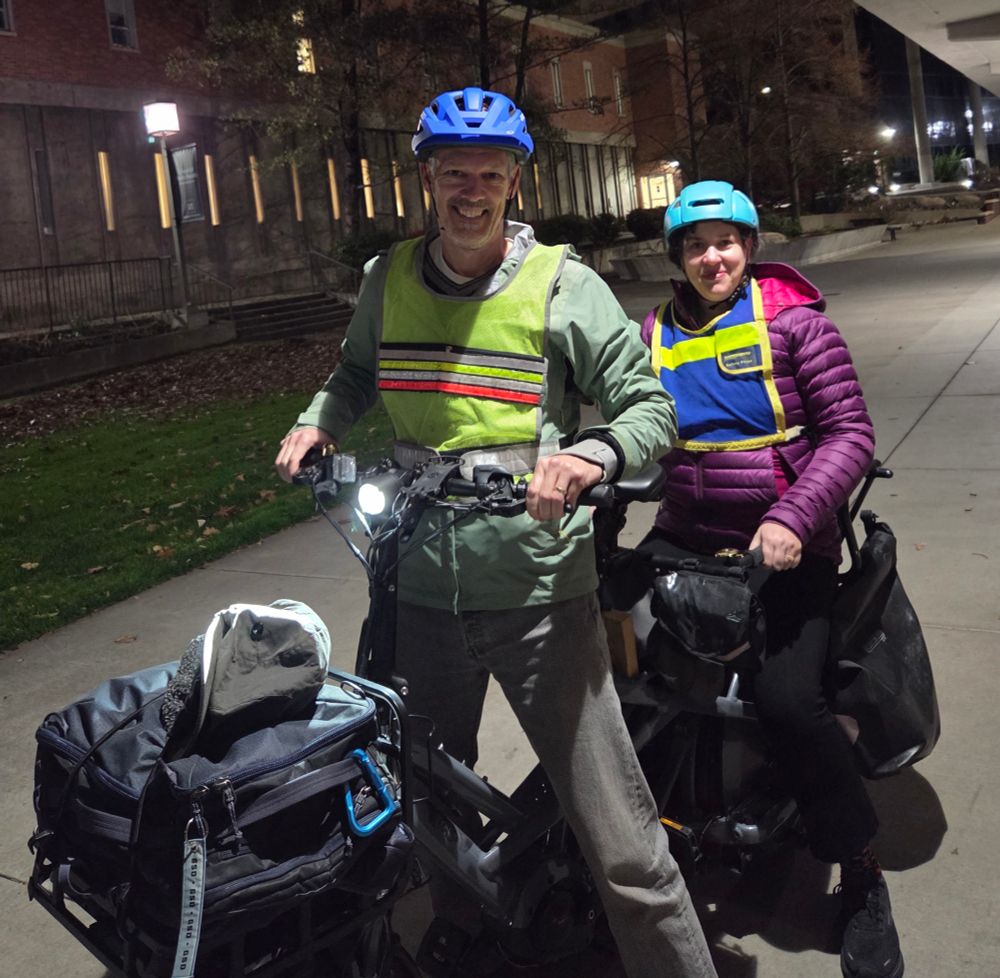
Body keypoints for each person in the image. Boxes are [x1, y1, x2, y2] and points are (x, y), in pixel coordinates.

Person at [275, 87, 718, 978]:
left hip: (538, 595)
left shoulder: (563, 284)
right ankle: (467, 939)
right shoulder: (386, 278)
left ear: (515, 181)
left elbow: (650, 408)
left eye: (488, 174)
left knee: (619, 837)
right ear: (426, 180)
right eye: (452, 174)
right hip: (415, 587)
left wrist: (591, 455)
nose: (469, 191)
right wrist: (319, 418)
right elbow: (357, 371)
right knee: (423, 810)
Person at [639, 180, 902, 978]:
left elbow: (851, 433)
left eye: (724, 241)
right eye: (694, 244)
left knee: (790, 703)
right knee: (619, 680)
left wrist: (792, 518)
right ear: (678, 258)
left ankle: (858, 868)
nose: (710, 257)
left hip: (786, 546)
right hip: (686, 539)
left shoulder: (796, 324)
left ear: (749, 247)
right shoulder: (653, 331)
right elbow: (622, 418)